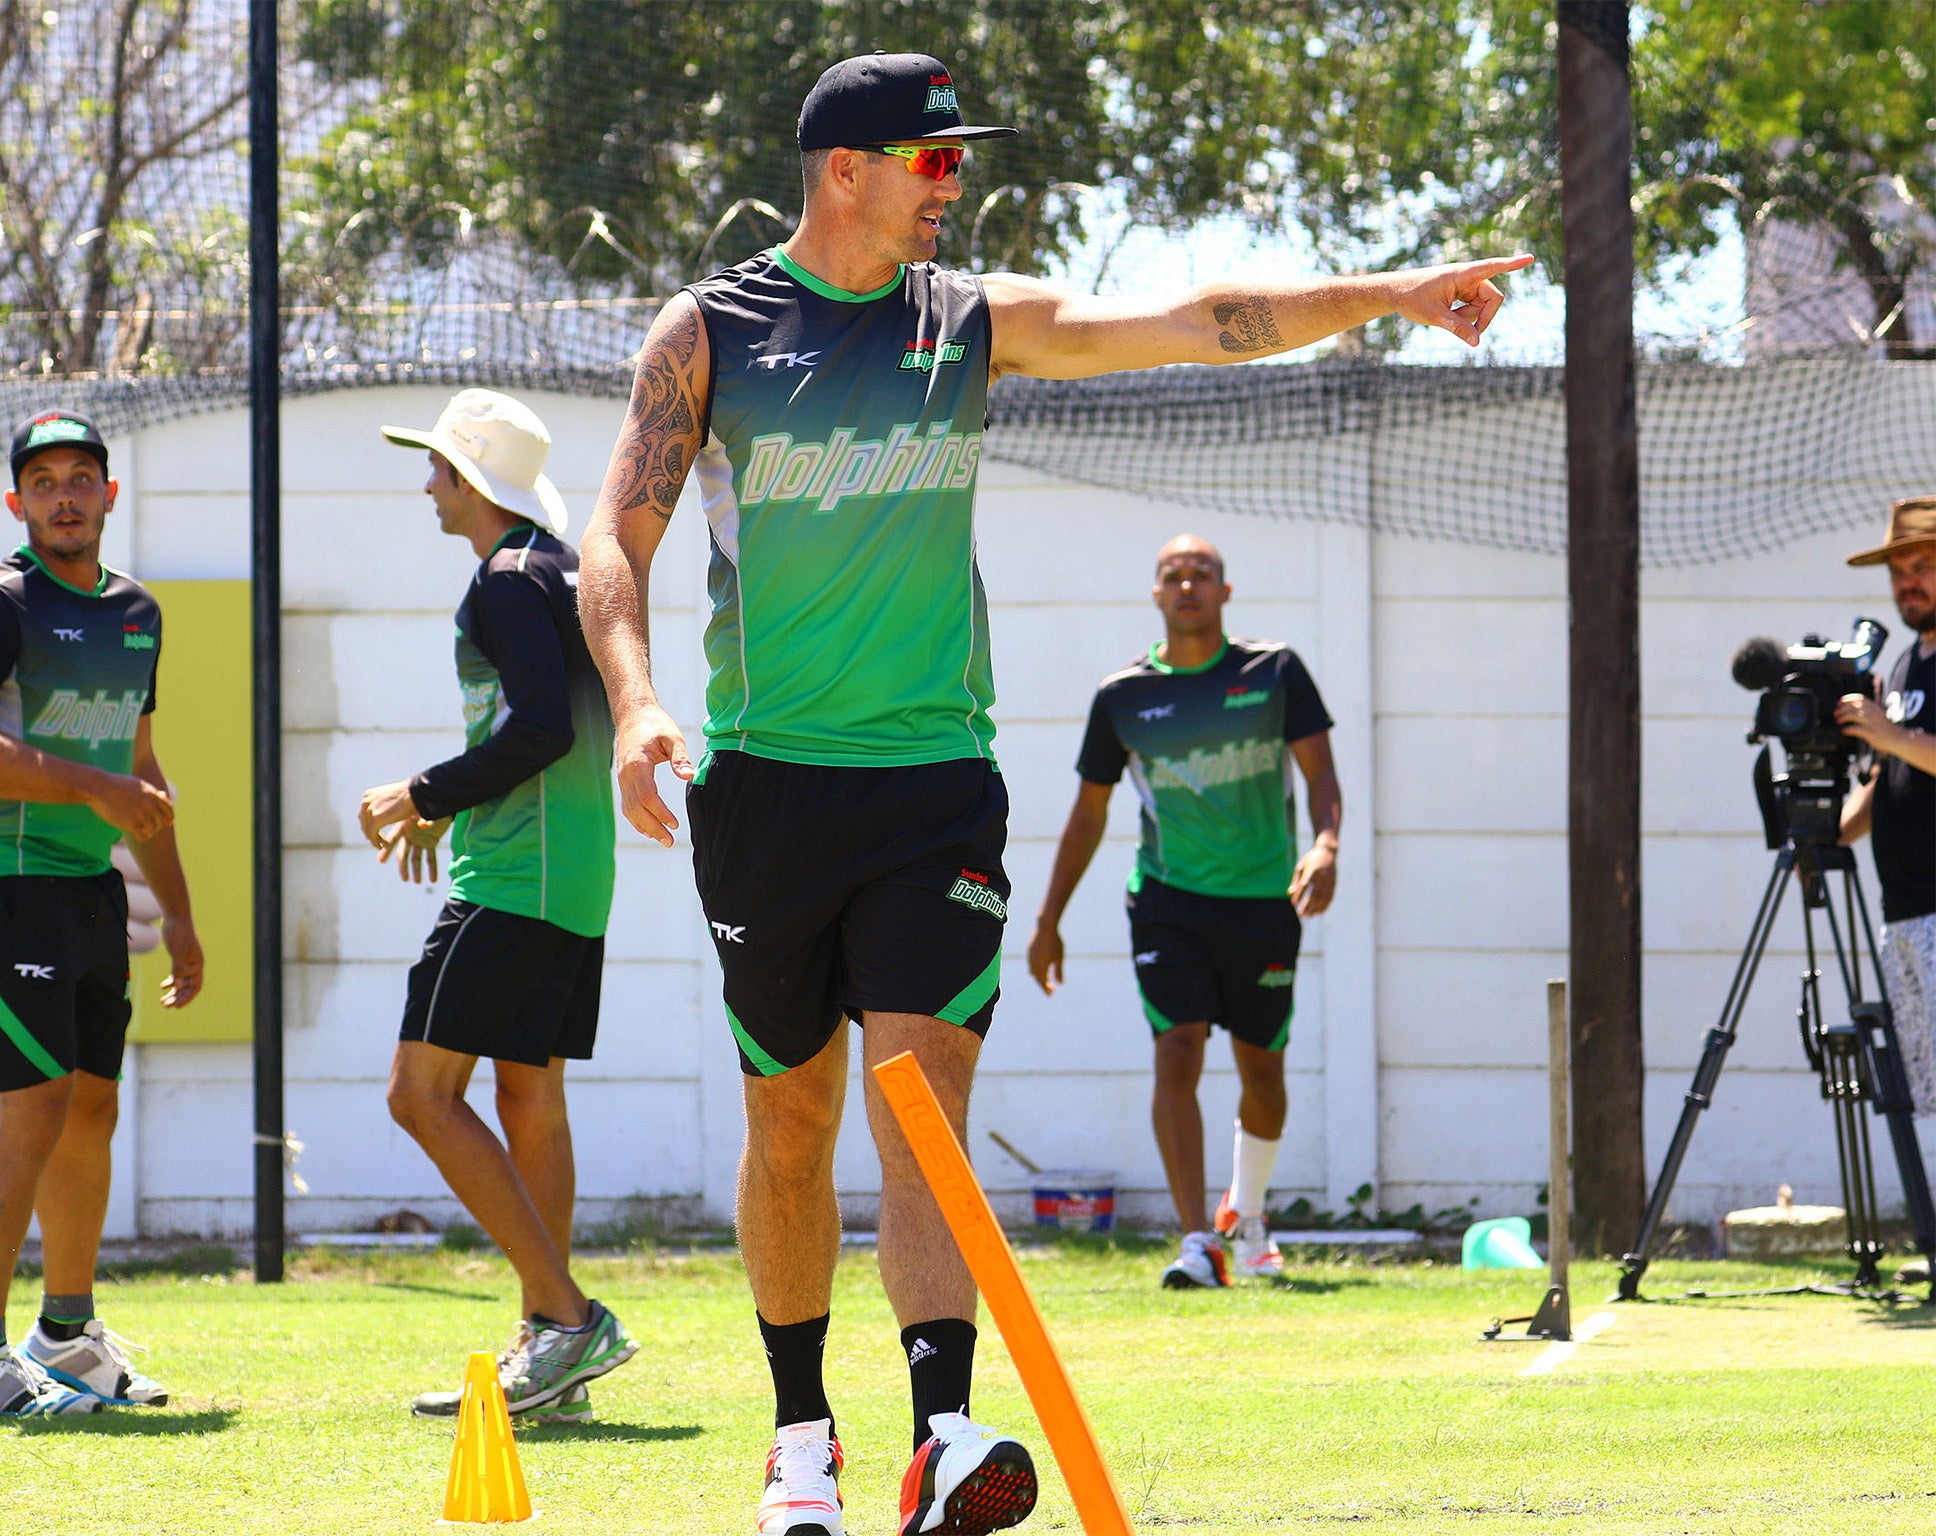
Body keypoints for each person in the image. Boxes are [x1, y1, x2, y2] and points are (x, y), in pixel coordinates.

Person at [577, 49, 1527, 1536]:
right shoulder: (712, 333)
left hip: (935, 787)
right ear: (849, 170)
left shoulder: (969, 324)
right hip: (764, 789)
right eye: (935, 161)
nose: (956, 185)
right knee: (790, 1123)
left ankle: (944, 1433)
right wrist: (638, 704)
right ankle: (801, 1441)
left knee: (924, 1114)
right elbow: (613, 544)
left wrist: (1390, 291)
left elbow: (1198, 322)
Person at [357, 389, 635, 1422]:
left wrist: (420, 795)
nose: (427, 482)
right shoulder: (556, 570)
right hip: (568, 877)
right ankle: (549, 1349)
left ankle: (567, 1319)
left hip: (514, 882)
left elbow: (540, 733)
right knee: (528, 1096)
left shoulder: (508, 577)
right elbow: (543, 731)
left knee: (418, 1095)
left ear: (471, 480)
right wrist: (454, 808)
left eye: (436, 466)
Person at [0, 408, 203, 1416]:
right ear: (18, 502)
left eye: (83, 476)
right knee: (33, 1105)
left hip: (83, 883)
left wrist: (179, 914)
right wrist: (87, 789)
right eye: (45, 482)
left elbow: (138, 769)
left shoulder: (137, 613)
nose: (66, 495)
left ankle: (70, 1337)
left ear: (109, 495)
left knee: (92, 1102)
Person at [1028, 537, 1338, 1289]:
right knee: (1178, 1049)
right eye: (1174, 575)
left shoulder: (1275, 672)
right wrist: (1048, 920)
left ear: (1225, 592)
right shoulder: (1122, 696)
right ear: (1157, 595)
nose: (1188, 585)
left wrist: (1326, 845)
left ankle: (1250, 1214)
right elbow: (1089, 813)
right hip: (1169, 902)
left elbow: (1321, 771)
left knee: (1263, 1070)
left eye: (1201, 574)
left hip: (1264, 900)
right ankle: (1197, 1239)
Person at [1839, 495, 1936, 1119]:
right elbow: (1888, 774)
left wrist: (1887, 733)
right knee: (1930, 1098)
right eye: (1899, 571)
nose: (1909, 583)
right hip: (1900, 914)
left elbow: (1899, 745)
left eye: (1923, 565)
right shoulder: (1903, 664)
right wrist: (1827, 835)